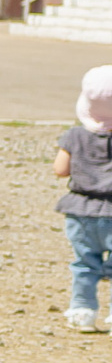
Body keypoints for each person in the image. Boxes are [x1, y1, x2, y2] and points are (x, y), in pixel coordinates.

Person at [57, 67, 112, 332]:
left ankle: (83, 312)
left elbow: (60, 169)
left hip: (81, 210)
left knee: (84, 264)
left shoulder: (75, 136)